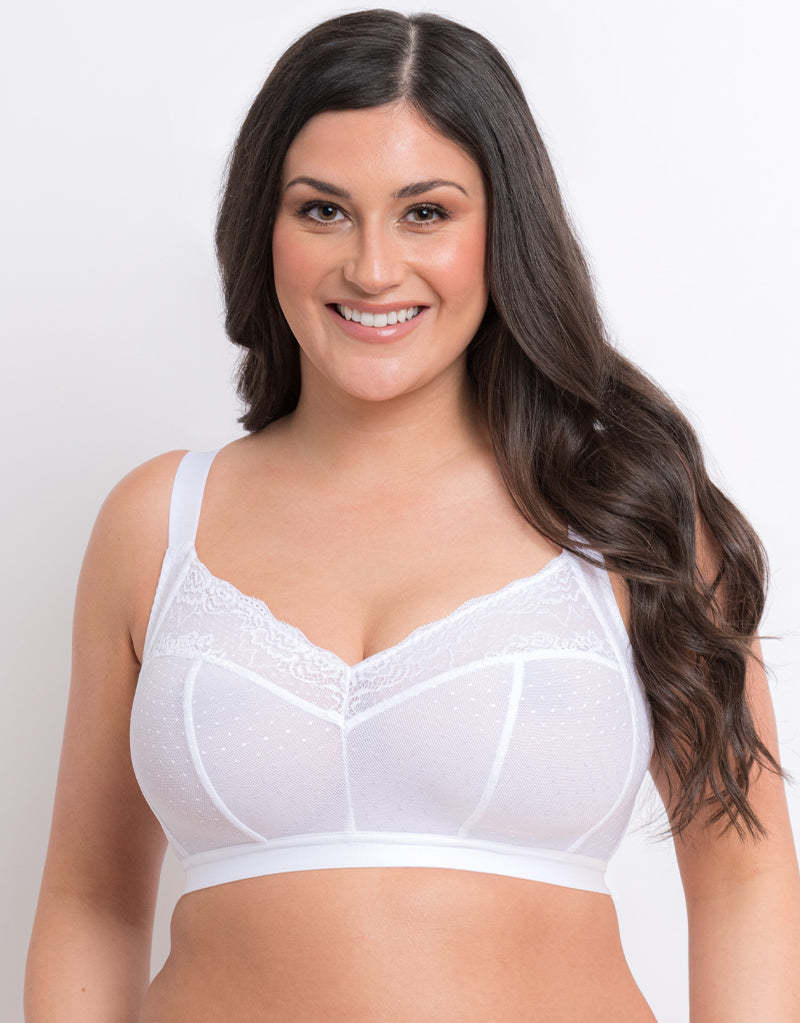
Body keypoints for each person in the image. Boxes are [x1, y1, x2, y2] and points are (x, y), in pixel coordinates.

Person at [25, 9, 800, 1022]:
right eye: (323, 210)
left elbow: (742, 875)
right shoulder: (156, 523)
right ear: (264, 228)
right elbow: (91, 900)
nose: (373, 268)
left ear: (502, 231)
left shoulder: (625, 518)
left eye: (425, 212)